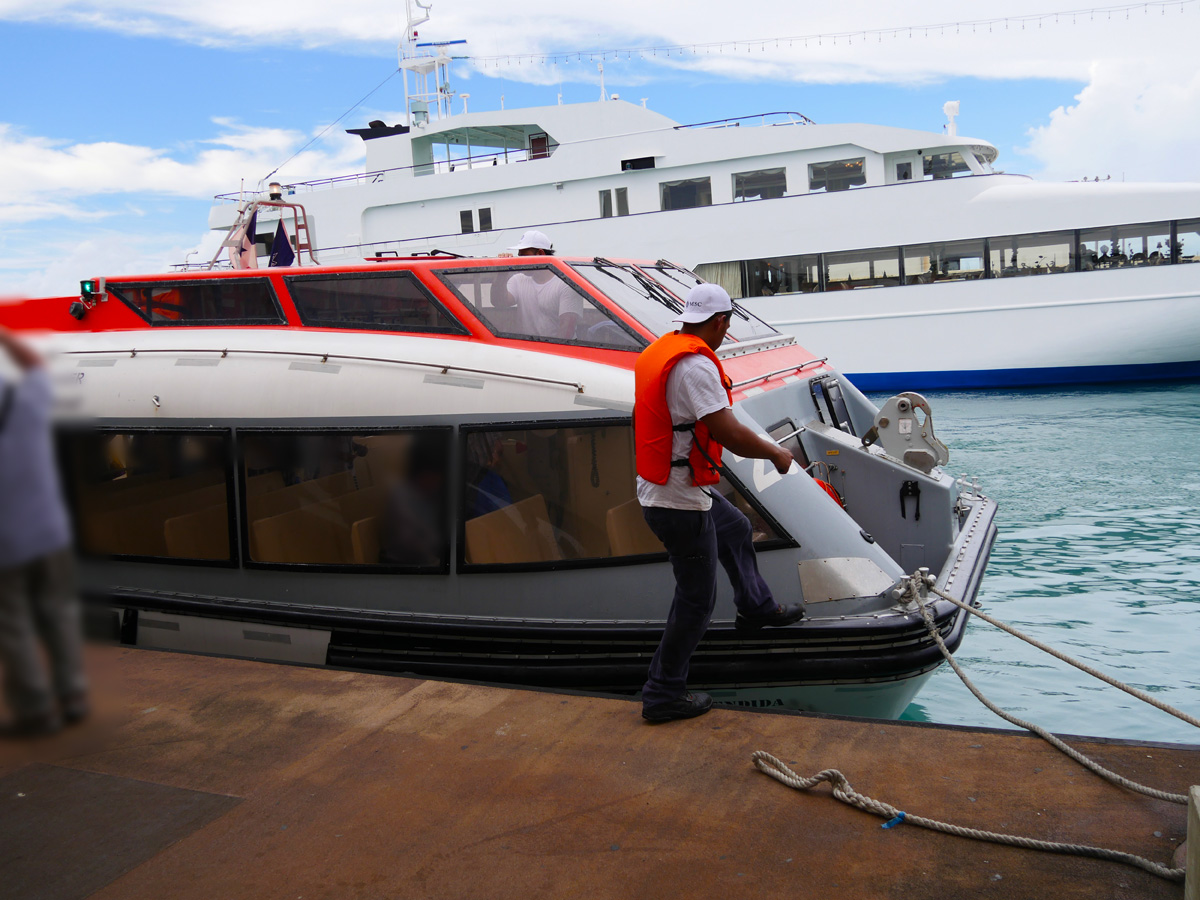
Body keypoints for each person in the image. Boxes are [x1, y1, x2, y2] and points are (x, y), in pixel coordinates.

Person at [634, 284, 804, 724]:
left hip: (672, 485)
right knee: (696, 601)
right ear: (721, 322)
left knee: (735, 528)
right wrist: (776, 452)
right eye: (727, 324)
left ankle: (756, 607)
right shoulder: (694, 366)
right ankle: (662, 694)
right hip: (676, 500)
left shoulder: (667, 349)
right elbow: (726, 432)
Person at [0, 327, 88, 736]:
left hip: (9, 545)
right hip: (51, 534)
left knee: (12, 625)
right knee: (59, 615)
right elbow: (34, 366)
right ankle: (72, 696)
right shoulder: (30, 410)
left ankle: (36, 710)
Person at [492, 230, 583, 340]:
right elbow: (499, 302)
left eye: (524, 256)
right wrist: (502, 273)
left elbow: (567, 329)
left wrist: (551, 354)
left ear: (540, 254)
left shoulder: (566, 284)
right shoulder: (519, 279)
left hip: (559, 352)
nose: (520, 261)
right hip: (531, 350)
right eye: (519, 256)